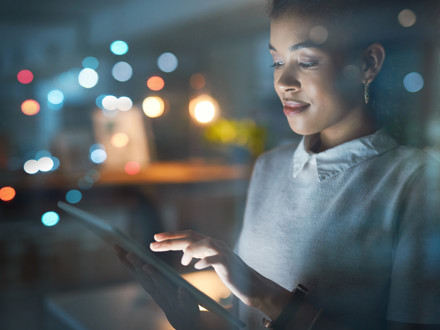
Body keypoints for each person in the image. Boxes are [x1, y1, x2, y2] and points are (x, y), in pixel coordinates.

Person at [115, 0, 440, 329]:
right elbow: (246, 318)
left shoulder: (416, 182)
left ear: (368, 63)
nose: (284, 81)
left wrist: (265, 296)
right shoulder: (271, 166)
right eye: (277, 61)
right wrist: (194, 321)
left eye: (307, 61)